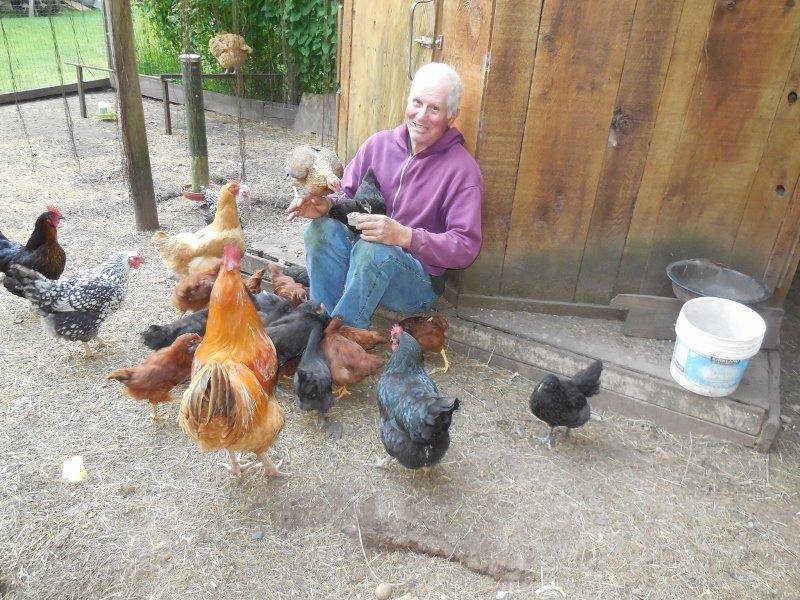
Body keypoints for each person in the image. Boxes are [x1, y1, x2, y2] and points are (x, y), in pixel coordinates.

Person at [285, 62, 483, 328]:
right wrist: (325, 206)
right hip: (361, 261)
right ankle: (320, 320)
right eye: (417, 102)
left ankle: (340, 337)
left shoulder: (462, 170)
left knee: (374, 249)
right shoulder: (378, 145)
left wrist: (406, 236)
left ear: (452, 115)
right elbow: (346, 194)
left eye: (434, 108)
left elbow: (465, 247)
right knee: (319, 230)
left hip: (414, 281)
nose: (421, 116)